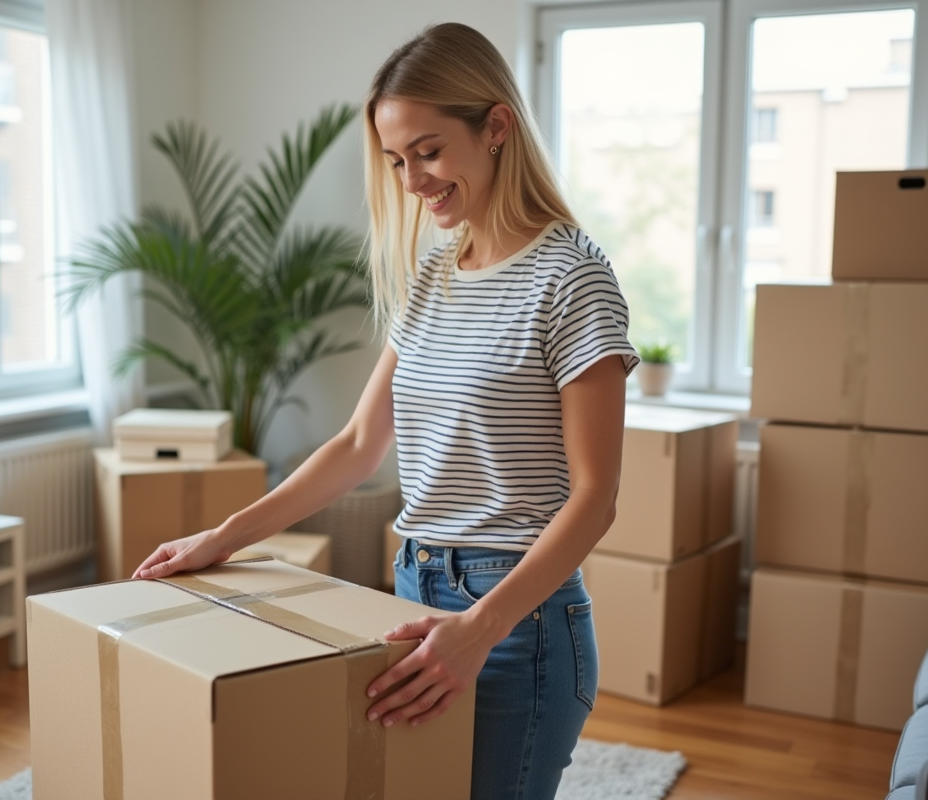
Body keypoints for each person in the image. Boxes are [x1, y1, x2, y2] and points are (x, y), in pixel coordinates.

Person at [133, 21, 639, 800]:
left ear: (495, 127)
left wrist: (481, 628)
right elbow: (358, 443)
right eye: (397, 160)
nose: (411, 180)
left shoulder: (572, 279)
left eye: (428, 151)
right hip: (412, 585)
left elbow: (596, 498)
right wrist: (222, 536)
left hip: (518, 623)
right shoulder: (436, 273)